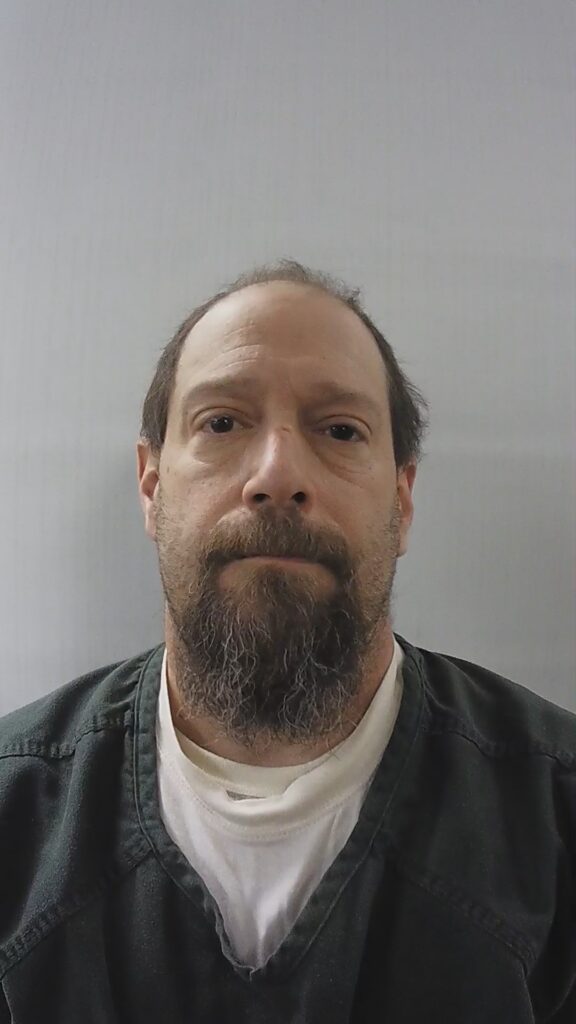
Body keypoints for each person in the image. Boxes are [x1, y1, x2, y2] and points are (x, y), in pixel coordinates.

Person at [0, 259, 574, 1023]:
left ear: (402, 501)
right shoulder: (12, 818)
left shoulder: (558, 817)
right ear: (152, 486)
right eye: (222, 423)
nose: (277, 475)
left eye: (339, 430)